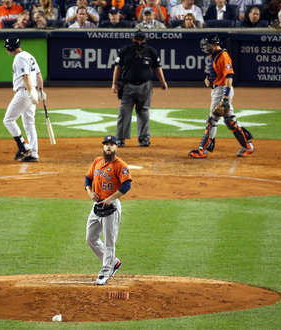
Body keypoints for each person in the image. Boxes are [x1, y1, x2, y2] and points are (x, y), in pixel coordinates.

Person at [188, 35, 254, 159]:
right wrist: (210, 81)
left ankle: (203, 150)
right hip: (218, 88)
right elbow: (218, 74)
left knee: (212, 119)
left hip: (223, 90)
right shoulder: (215, 55)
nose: (205, 48)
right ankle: (248, 146)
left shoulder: (223, 57)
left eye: (207, 45)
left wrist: (225, 97)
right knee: (230, 121)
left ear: (213, 45)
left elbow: (229, 77)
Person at [85, 135, 132, 286]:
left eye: (112, 145)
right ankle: (113, 262)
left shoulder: (120, 165)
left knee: (109, 242)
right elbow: (88, 179)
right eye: (106, 144)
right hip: (97, 206)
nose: (108, 147)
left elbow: (126, 186)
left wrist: (111, 198)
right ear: (103, 147)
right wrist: (90, 192)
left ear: (116, 147)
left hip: (111, 207)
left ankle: (105, 272)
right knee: (90, 238)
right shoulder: (97, 161)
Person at [111, 31, 168, 147]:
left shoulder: (151, 51)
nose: (139, 42)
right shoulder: (125, 50)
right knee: (124, 112)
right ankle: (120, 139)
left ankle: (144, 139)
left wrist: (163, 82)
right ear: (133, 39)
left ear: (145, 40)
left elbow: (158, 67)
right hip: (127, 86)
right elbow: (118, 67)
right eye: (137, 39)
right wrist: (114, 83)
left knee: (144, 112)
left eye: (141, 40)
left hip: (145, 86)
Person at [2, 38, 45, 163]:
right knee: (29, 123)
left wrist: (30, 91)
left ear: (11, 47)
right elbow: (39, 75)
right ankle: (34, 153)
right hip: (32, 93)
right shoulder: (29, 55)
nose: (6, 51)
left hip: (25, 92)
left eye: (7, 48)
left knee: (8, 120)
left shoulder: (19, 57)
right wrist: (40, 91)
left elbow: (25, 76)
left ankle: (23, 147)